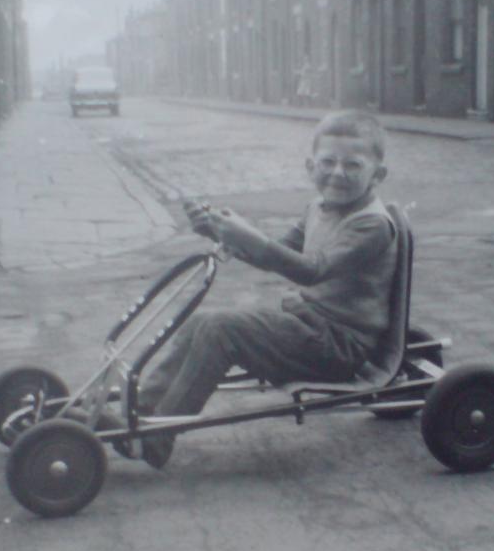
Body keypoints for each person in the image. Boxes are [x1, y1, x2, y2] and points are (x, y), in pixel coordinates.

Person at [133, 110, 398, 469]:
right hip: (311, 327)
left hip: (339, 346)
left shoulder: (372, 224)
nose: (337, 173)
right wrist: (220, 232)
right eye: (328, 162)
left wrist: (251, 236)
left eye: (353, 165)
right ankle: (141, 410)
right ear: (310, 166)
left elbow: (310, 271)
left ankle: (159, 435)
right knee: (201, 322)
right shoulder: (319, 207)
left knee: (220, 330)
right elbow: (277, 255)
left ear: (377, 175)